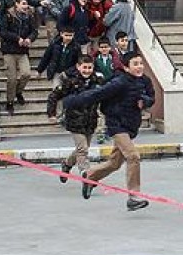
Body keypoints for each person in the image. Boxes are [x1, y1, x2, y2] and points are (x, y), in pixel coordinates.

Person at [65, 53, 155, 211]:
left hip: (131, 125)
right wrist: (73, 101)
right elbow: (97, 94)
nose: (140, 66)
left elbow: (151, 97)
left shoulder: (145, 81)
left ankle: (90, 176)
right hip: (116, 125)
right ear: (126, 67)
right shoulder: (119, 82)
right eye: (135, 63)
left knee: (114, 163)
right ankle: (133, 196)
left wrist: (145, 101)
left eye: (141, 63)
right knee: (133, 156)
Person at [47, 55, 104, 183]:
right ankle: (86, 173)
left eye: (90, 68)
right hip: (75, 120)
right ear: (78, 67)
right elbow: (54, 96)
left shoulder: (98, 81)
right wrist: (51, 114)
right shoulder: (71, 82)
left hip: (91, 120)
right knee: (82, 149)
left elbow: (106, 94)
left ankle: (67, 164)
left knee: (82, 148)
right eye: (84, 67)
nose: (87, 70)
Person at [0, 0, 38, 113]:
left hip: (23, 50)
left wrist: (30, 39)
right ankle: (10, 101)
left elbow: (34, 31)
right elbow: (2, 32)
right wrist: (17, 38)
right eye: (23, 4)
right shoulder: (8, 16)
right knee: (12, 78)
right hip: (9, 50)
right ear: (17, 4)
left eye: (27, 4)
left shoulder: (29, 17)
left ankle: (18, 91)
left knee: (26, 73)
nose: (26, 6)